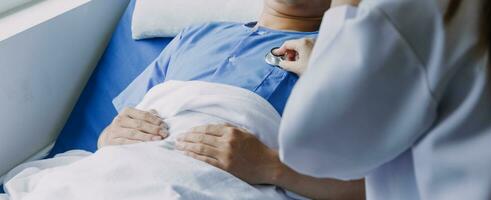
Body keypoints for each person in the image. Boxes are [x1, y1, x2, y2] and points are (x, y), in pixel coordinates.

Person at [204, 0, 491, 199]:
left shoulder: (404, 10)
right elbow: (447, 84)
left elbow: (313, 148)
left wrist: (345, 19)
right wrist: (332, 61)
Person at [96, 0, 364, 199]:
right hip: (122, 172)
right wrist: (109, 137)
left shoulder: (348, 60)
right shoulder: (194, 35)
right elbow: (120, 125)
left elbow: (377, 184)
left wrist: (270, 166)